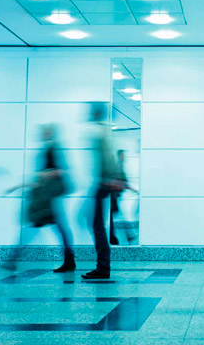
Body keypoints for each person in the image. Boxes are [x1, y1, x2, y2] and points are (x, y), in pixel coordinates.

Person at [4, 124, 75, 273]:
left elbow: (60, 171)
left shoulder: (52, 149)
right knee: (52, 228)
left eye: (44, 132)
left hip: (47, 199)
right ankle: (69, 261)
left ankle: (12, 260)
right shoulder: (49, 149)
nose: (41, 134)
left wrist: (43, 175)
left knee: (36, 227)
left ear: (49, 133)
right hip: (45, 198)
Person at [82, 103, 125, 280]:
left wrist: (108, 179)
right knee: (96, 224)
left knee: (97, 226)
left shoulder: (100, 132)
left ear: (96, 113)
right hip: (103, 182)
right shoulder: (103, 131)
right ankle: (103, 266)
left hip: (102, 183)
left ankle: (103, 267)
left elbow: (107, 158)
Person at [109, 150, 137, 245]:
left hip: (115, 196)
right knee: (115, 217)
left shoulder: (119, 166)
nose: (125, 157)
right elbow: (122, 183)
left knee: (115, 217)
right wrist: (134, 190)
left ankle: (115, 238)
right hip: (113, 197)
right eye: (123, 155)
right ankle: (118, 237)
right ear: (120, 156)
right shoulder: (118, 167)